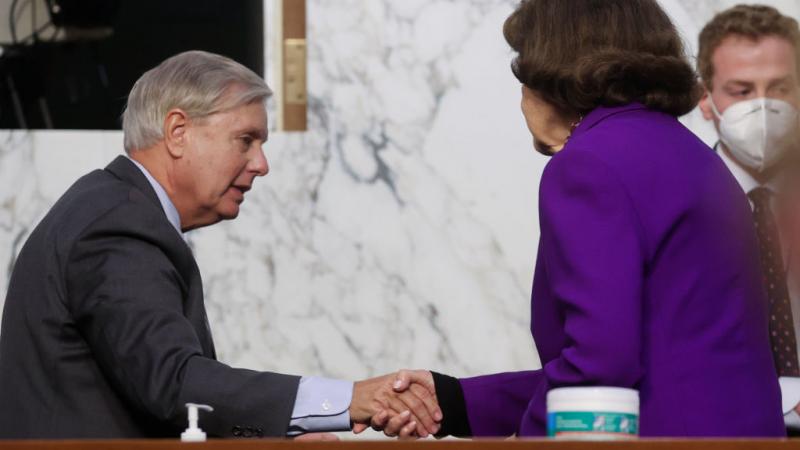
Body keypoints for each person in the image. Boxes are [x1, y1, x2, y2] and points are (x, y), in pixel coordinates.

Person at [378, 0, 785, 438]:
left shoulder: (588, 165)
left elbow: (600, 365)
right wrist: (456, 401)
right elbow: (663, 358)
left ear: (550, 74)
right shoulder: (694, 155)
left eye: (523, 74)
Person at [0, 51, 440, 440]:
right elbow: (173, 383)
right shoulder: (118, 224)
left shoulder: (115, 207)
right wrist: (349, 398)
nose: (261, 165)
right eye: (245, 140)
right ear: (178, 132)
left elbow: (154, 403)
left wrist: (278, 438)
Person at [695, 5, 800, 433]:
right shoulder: (676, 205)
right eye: (741, 91)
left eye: (779, 88)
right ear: (705, 99)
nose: (762, 106)